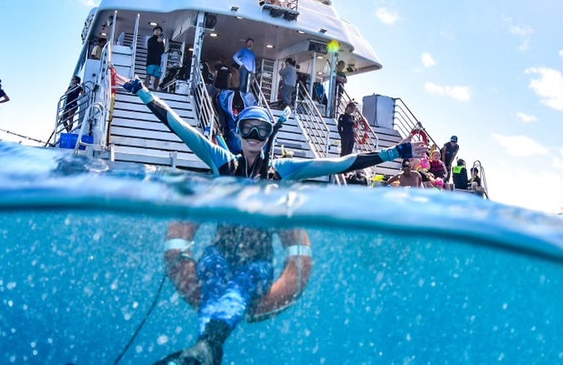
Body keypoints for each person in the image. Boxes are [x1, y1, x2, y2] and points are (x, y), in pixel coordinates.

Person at [122, 79, 428, 365]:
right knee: (213, 273)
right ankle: (207, 349)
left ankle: (205, 348)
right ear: (238, 132)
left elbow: (339, 163)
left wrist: (393, 152)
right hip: (219, 252)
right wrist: (143, 93)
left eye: (261, 131)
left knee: (240, 286)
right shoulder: (222, 161)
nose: (254, 137)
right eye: (248, 130)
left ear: (269, 135)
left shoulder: (283, 170)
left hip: (259, 262)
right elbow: (181, 128)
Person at [145, 26, 166, 90]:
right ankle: (146, 88)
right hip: (151, 60)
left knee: (158, 76)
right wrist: (157, 42)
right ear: (153, 31)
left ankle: (155, 89)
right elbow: (150, 48)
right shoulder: (150, 40)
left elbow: (162, 51)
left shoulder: (162, 42)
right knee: (149, 74)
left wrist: (160, 42)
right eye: (156, 30)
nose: (157, 31)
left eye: (159, 30)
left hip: (158, 61)